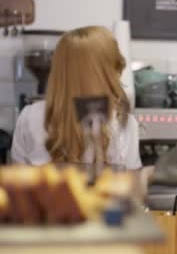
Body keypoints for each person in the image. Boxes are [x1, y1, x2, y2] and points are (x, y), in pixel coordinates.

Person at [11, 26, 142, 171]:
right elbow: (130, 184)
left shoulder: (28, 116)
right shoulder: (124, 124)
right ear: (109, 73)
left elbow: (17, 181)